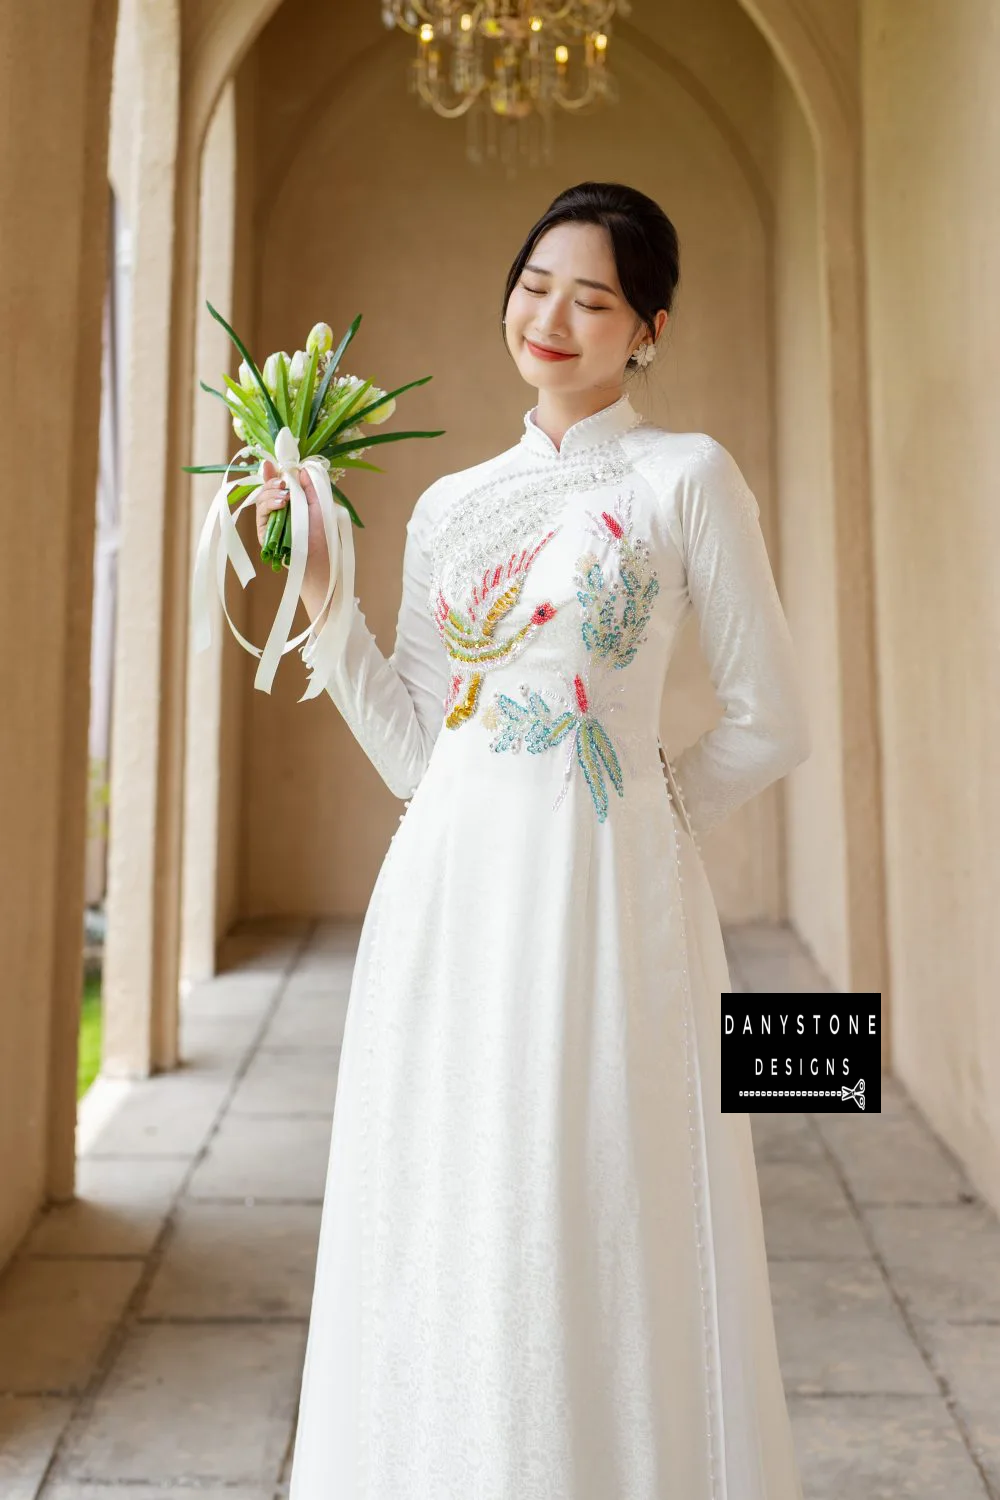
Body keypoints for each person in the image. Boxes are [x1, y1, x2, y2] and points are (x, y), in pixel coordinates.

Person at [256, 180, 811, 1500]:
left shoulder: (688, 479)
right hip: (447, 905)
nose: (552, 314)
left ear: (649, 329)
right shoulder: (451, 506)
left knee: (597, 1202)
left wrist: (646, 817)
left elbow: (771, 722)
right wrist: (324, 597)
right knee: (456, 1213)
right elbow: (418, 747)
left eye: (595, 296)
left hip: (609, 907)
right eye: (535, 283)